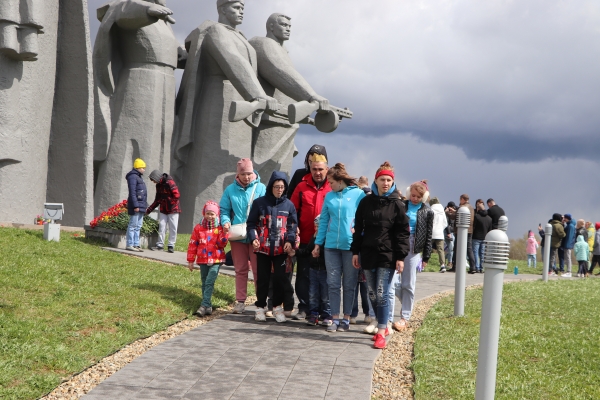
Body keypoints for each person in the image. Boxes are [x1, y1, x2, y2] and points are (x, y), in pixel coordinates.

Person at [351, 161, 410, 349]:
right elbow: (359, 228)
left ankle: (382, 331)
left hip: (388, 254)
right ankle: (379, 322)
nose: (385, 183)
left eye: (389, 180)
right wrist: (355, 251)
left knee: (382, 293)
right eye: (382, 179)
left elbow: (403, 232)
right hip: (367, 252)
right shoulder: (365, 202)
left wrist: (401, 257)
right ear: (375, 181)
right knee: (371, 293)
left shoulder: (398, 204)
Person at [313, 163, 366, 332]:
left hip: (350, 246)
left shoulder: (358, 194)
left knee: (349, 284)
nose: (329, 185)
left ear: (340, 180)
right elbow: (323, 222)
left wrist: (358, 232)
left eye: (331, 182)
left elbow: (363, 219)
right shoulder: (329, 197)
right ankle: (334, 318)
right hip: (331, 247)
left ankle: (347, 318)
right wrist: (318, 244)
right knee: (333, 283)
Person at [247, 171, 298, 322]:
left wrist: (290, 241)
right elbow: (251, 224)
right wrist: (253, 238)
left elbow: (292, 226)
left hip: (281, 250)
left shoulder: (289, 205)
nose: (279, 190)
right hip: (262, 249)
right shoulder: (259, 203)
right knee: (262, 279)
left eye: (282, 187)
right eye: (276, 186)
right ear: (271, 187)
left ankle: (277, 308)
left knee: (280, 279)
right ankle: (260, 307)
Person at [219, 158, 266, 314]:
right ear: (237, 174)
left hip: (256, 235)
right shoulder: (230, 190)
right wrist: (225, 222)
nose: (247, 177)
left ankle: (261, 301)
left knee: (259, 270)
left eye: (249, 173)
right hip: (237, 235)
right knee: (240, 269)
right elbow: (224, 210)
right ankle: (240, 301)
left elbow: (267, 209)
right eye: (243, 174)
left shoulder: (261, 188)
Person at [289, 153, 331, 319]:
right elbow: (292, 211)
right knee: (303, 276)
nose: (317, 172)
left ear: (327, 169)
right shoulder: (301, 186)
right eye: (314, 169)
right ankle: (304, 307)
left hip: (327, 240)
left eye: (321, 169)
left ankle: (323, 310)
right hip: (306, 238)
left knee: (324, 277)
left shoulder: (332, 187)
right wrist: (294, 229)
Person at [389, 180, 433, 332]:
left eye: (418, 197)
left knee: (408, 283)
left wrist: (426, 257)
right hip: (398, 243)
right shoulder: (401, 205)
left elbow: (429, 236)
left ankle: (405, 317)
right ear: (408, 193)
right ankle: (402, 303)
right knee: (392, 282)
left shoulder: (428, 212)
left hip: (414, 247)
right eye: (412, 195)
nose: (414, 199)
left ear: (424, 197)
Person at [187, 201, 229, 316]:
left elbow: (222, 244)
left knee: (210, 281)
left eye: (212, 214)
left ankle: (204, 305)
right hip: (202, 259)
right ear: (204, 213)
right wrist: (191, 260)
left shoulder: (220, 228)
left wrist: (225, 234)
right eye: (208, 213)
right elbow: (192, 244)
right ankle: (208, 306)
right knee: (205, 282)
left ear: (217, 215)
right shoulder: (198, 228)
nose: (210, 216)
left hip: (216, 260)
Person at [290, 215, 332, 326]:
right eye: (315, 226)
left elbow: (330, 254)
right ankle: (314, 313)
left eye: (319, 226)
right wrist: (296, 252)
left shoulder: (328, 238)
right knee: (313, 293)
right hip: (313, 269)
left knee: (325, 294)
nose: (317, 229)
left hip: (324, 270)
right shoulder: (314, 237)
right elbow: (308, 250)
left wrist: (319, 252)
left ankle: (327, 314)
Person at [146, 170, 181, 253]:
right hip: (163, 209)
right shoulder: (158, 185)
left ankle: (171, 245)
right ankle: (160, 245)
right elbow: (157, 199)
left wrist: (168, 202)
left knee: (173, 227)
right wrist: (149, 210)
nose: (153, 182)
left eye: (153, 180)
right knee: (162, 226)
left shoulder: (170, 182)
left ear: (157, 178)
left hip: (173, 209)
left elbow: (177, 195)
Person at [125, 158, 148, 252]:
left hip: (141, 204)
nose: (144, 170)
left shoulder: (138, 177)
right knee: (133, 225)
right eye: (143, 168)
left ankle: (136, 244)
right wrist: (135, 205)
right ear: (138, 167)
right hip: (137, 205)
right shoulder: (133, 177)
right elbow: (132, 192)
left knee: (138, 225)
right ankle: (130, 244)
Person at [449, 194, 476, 274]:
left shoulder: (463, 207)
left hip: (461, 231)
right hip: (470, 230)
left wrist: (448, 213)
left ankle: (455, 266)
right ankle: (473, 267)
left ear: (462, 199)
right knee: (469, 249)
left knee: (457, 248)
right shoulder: (471, 207)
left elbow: (455, 216)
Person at [472, 199, 492, 273]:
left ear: (478, 209)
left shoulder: (477, 217)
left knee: (475, 253)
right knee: (482, 253)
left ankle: (476, 267)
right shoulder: (489, 219)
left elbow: (474, 226)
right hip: (484, 237)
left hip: (476, 237)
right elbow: (490, 229)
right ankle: (482, 268)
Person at [443, 202, 457, 271]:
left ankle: (447, 259)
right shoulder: (446, 213)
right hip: (448, 232)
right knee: (451, 248)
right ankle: (450, 262)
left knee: (451, 248)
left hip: (451, 232)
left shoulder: (449, 212)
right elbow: (446, 224)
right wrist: (448, 233)